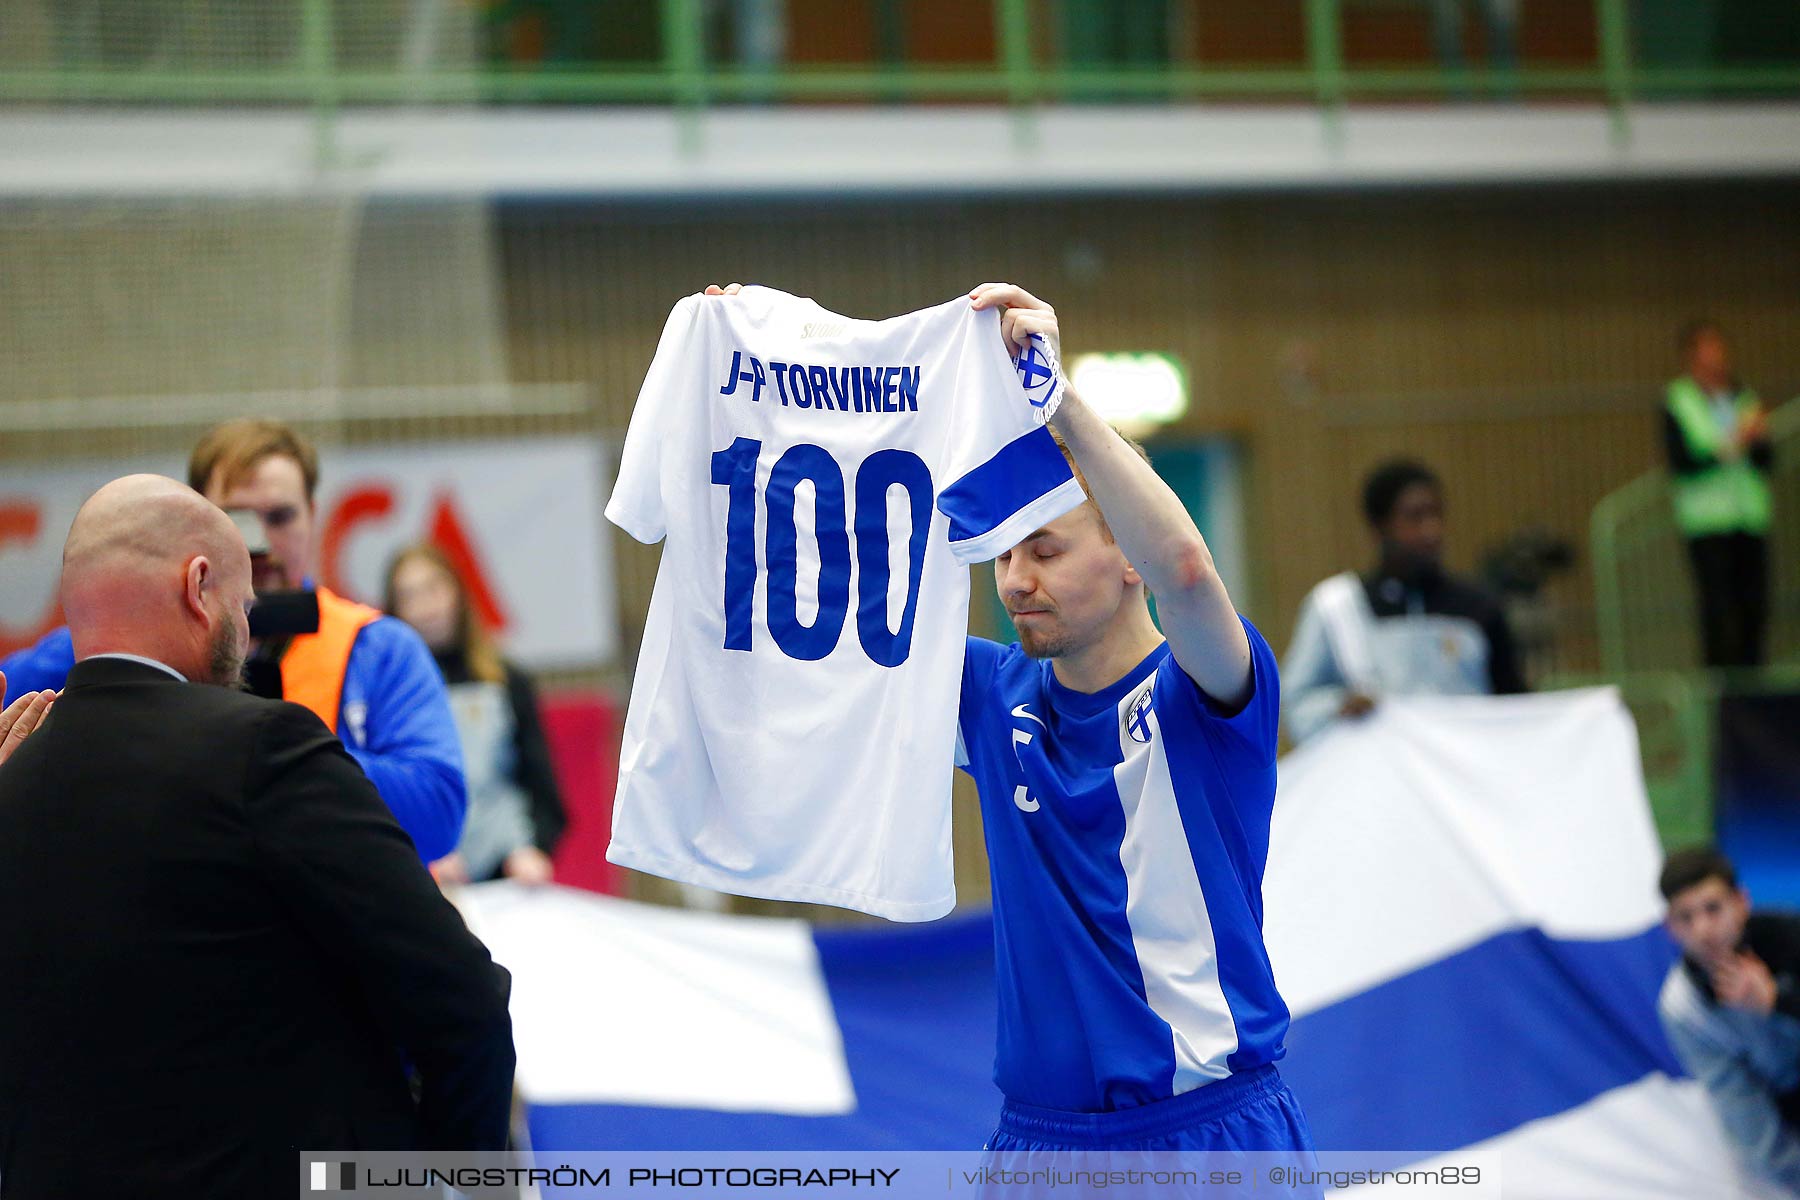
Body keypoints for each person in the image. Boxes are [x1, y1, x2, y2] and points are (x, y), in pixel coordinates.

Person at [708, 283, 1317, 1160]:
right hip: (1040, 1147)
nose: (1015, 580)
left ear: (1127, 561)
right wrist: (757, 377)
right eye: (1001, 554)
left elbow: (1187, 566)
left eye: (1046, 548)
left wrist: (1058, 398)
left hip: (1204, 1136)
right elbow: (820, 599)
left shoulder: (1206, 695)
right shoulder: (992, 693)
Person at [0, 475, 515, 1199]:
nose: (247, 635)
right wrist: (446, 1177)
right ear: (198, 585)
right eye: (244, 607)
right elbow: (463, 999)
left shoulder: (12, 778)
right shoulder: (264, 748)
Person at [0, 419, 466, 861]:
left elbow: (439, 816)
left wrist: (287, 753)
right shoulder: (116, 645)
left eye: (281, 517)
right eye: (238, 518)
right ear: (195, 517)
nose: (260, 544)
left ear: (312, 517)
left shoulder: (377, 648)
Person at [1280, 458, 1527, 746]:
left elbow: (1514, 707)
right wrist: (1339, 707)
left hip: (1464, 780)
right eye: (1414, 517)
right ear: (1379, 527)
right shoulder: (1335, 606)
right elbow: (1296, 703)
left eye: (1436, 514)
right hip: (1376, 779)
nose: (1430, 530)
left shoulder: (1479, 607)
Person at [385, 542, 567, 886]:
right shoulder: (387, 695)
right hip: (425, 880)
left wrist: (533, 849)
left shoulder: (506, 679)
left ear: (457, 591)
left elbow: (542, 785)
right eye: (409, 595)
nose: (426, 606)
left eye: (433, 588)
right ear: (394, 610)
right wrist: (420, 855)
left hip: (509, 873)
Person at [1657, 846, 1800, 1196]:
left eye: (1713, 908)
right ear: (1670, 928)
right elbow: (1743, 1110)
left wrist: (1778, 1002)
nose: (1703, 930)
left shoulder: (1792, 938)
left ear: (1741, 902)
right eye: (1686, 918)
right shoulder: (1681, 1008)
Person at [1663, 319, 1774, 669]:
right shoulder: (1679, 400)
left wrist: (1756, 440)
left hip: (1749, 517)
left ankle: (1755, 697)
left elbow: (1766, 459)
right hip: (1707, 522)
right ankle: (1724, 703)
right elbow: (1682, 462)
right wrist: (1735, 443)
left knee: (1754, 609)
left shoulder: (1744, 396)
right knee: (1718, 612)